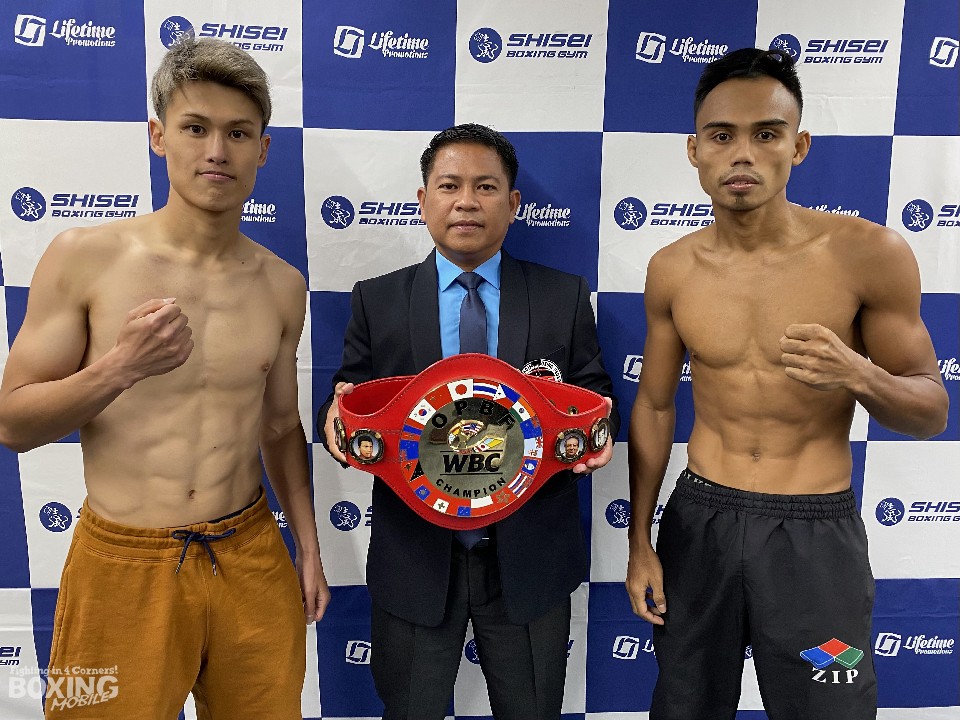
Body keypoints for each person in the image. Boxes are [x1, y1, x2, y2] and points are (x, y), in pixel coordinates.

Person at [0, 38, 329, 719]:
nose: (217, 151)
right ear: (159, 137)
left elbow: (279, 427)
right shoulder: (85, 257)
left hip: (248, 553)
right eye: (195, 128)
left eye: (238, 133)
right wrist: (120, 366)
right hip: (124, 562)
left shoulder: (282, 285)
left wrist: (309, 547)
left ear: (263, 150)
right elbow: (13, 423)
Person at [624, 47, 948, 720]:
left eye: (766, 134)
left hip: (814, 540)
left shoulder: (868, 254)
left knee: (832, 707)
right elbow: (653, 405)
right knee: (685, 706)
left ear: (798, 147)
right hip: (699, 524)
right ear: (694, 151)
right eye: (722, 136)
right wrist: (639, 542)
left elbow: (931, 411)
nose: (743, 154)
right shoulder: (672, 268)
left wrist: (858, 372)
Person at [320, 123, 620, 720]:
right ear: (422, 199)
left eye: (485, 187)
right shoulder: (376, 300)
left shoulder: (562, 296)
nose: (466, 202)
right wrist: (340, 428)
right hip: (415, 557)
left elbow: (594, 396)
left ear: (513, 202)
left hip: (530, 558)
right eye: (449, 185)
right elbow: (350, 409)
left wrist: (594, 436)